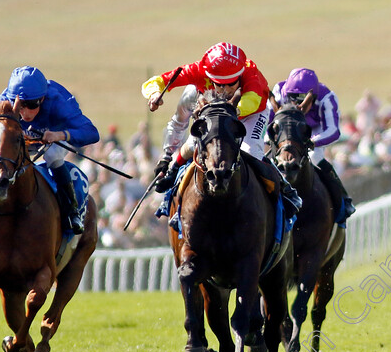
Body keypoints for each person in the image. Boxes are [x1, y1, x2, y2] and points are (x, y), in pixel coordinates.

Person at [141, 42, 300, 215]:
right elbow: (157, 81)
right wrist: (154, 94)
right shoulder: (198, 70)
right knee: (194, 144)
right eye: (219, 84)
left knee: (251, 150)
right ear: (209, 76)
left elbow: (252, 102)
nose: (225, 89)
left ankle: (284, 189)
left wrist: (229, 110)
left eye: (231, 83)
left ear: (240, 75)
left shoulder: (251, 73)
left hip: (251, 114)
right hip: (214, 111)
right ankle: (171, 175)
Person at [0, 66, 99, 234]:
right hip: (17, 145)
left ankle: (71, 210)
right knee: (0, 156)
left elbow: (91, 133)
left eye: (32, 104)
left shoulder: (58, 100)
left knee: (53, 155)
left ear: (42, 99)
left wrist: (59, 135)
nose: (25, 112)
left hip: (51, 141)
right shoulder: (3, 103)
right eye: (19, 104)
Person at [270, 68, 355, 222]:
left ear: (312, 97)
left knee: (315, 156)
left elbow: (334, 131)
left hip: (314, 130)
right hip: (287, 129)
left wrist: (311, 142)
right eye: (291, 98)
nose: (295, 103)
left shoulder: (327, 98)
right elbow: (268, 121)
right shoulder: (278, 91)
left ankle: (341, 199)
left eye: (300, 99)